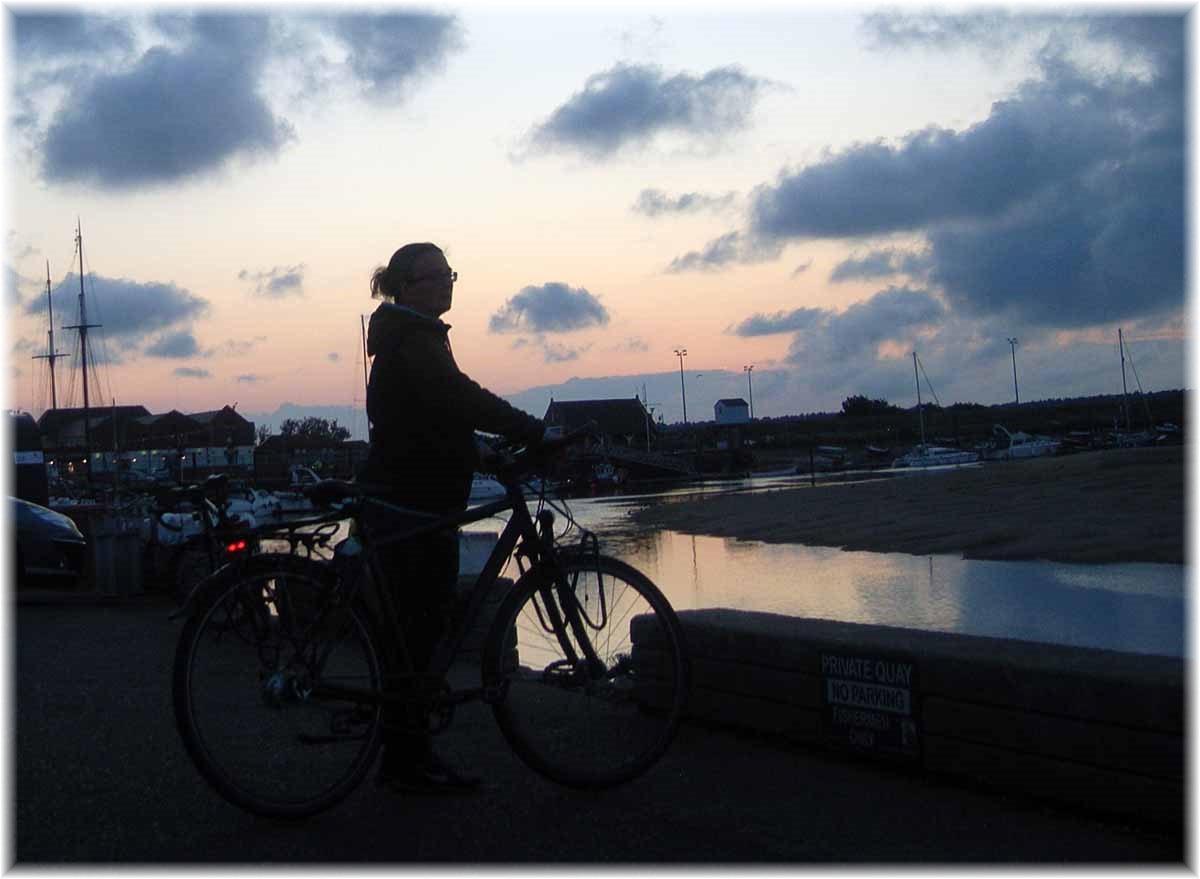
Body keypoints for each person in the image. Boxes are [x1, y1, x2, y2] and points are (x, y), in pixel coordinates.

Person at [362, 242, 544, 793]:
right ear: (407, 285)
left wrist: (479, 452)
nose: (448, 284)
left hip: (411, 499)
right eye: (437, 275)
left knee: (415, 633)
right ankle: (408, 760)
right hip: (411, 505)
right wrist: (529, 430)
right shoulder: (414, 338)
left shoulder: (407, 337)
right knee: (419, 633)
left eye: (450, 274)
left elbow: (430, 416)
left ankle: (406, 754)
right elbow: (456, 396)